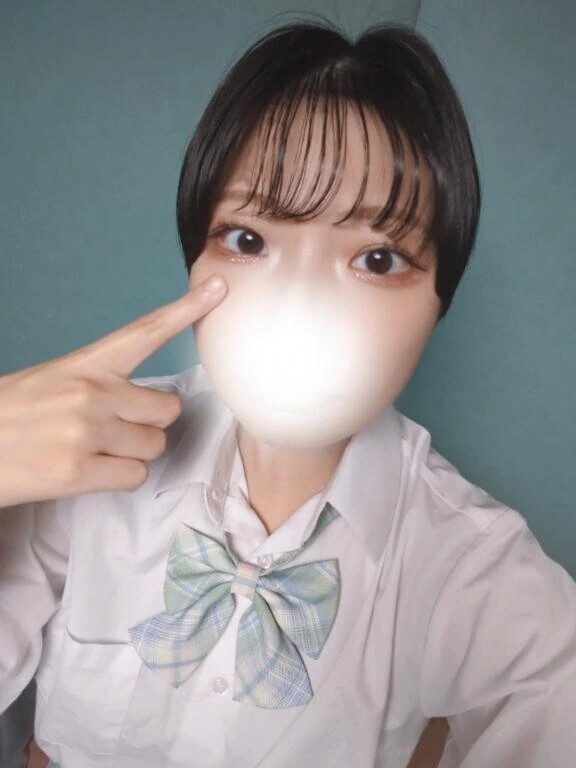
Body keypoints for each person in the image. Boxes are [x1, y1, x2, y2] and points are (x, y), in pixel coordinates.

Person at [1, 19, 575, 768]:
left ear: (441, 301)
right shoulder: (87, 452)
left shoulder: (473, 569)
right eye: (248, 240)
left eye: (378, 258)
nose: (300, 304)